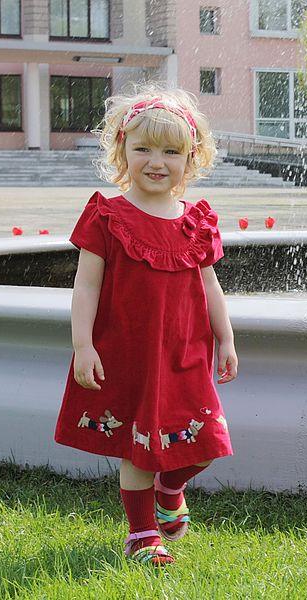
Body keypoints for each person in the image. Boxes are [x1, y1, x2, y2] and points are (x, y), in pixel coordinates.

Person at [54, 85, 238, 567]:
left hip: (184, 355)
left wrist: (226, 338)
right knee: (137, 448)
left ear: (190, 157)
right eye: (143, 149)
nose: (157, 162)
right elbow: (86, 286)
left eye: (171, 152)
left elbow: (210, 285)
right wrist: (83, 345)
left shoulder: (195, 221)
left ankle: (170, 487)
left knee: (205, 443)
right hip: (129, 354)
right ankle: (142, 533)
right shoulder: (108, 215)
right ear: (122, 151)